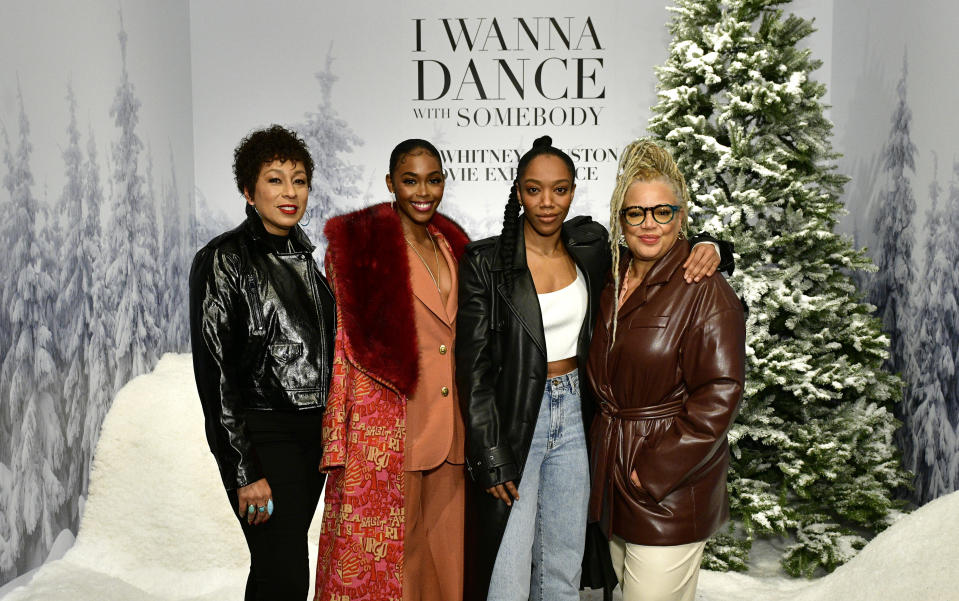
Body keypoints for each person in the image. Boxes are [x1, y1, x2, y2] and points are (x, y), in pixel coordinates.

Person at [455, 135, 733, 601]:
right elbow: (474, 368)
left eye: (560, 189)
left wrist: (715, 246)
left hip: (579, 416)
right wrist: (488, 449)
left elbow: (659, 239)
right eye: (534, 189)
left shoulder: (591, 248)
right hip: (516, 419)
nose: (547, 202)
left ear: (574, 191)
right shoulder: (486, 262)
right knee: (508, 571)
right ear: (517, 191)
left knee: (563, 566)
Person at [586, 139, 746, 601]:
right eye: (636, 213)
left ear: (682, 217)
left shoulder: (703, 286)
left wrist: (652, 471)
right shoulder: (612, 278)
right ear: (620, 219)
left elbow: (720, 393)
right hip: (612, 480)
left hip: (667, 489)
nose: (649, 224)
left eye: (663, 212)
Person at [315, 139, 470, 601]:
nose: (423, 191)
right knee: (387, 568)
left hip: (452, 430)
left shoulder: (452, 245)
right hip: (388, 427)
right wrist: (340, 433)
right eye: (410, 180)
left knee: (445, 565)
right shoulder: (363, 254)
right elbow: (343, 347)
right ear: (390, 184)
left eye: (433, 179)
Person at [189, 124, 336, 600]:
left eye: (299, 179)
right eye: (275, 179)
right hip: (263, 435)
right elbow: (215, 376)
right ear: (248, 191)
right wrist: (243, 470)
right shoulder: (223, 259)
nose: (290, 192)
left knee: (279, 567)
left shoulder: (311, 264)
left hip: (312, 438)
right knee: (285, 571)